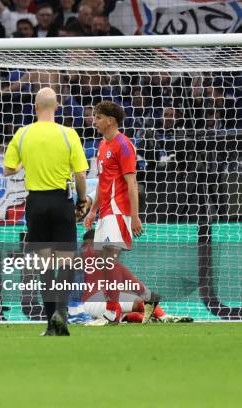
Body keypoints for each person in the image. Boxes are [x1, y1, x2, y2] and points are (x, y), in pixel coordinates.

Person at [3, 87, 89, 336]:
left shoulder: (23, 133)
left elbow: (8, 169)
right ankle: (61, 312)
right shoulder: (67, 134)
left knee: (44, 264)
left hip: (36, 203)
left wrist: (23, 162)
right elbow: (80, 174)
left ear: (35, 107)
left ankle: (50, 322)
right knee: (65, 260)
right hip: (61, 202)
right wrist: (82, 201)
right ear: (57, 107)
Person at [84, 100, 160, 324]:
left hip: (119, 211)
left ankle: (112, 312)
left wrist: (134, 215)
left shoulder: (124, 145)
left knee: (108, 261)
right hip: (105, 211)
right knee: (106, 262)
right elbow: (102, 182)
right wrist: (92, 211)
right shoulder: (102, 145)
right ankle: (146, 297)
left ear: (110, 120)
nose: (94, 121)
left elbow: (131, 183)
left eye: (98, 117)